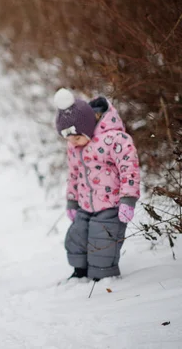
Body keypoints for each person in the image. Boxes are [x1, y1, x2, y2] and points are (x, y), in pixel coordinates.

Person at [53, 88, 141, 282]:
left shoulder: (115, 140)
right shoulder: (75, 146)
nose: (73, 143)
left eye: (76, 137)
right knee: (76, 238)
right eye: (68, 139)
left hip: (110, 206)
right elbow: (74, 175)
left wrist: (128, 200)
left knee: (102, 242)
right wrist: (72, 201)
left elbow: (129, 169)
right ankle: (80, 271)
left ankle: (102, 278)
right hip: (85, 205)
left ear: (87, 126)